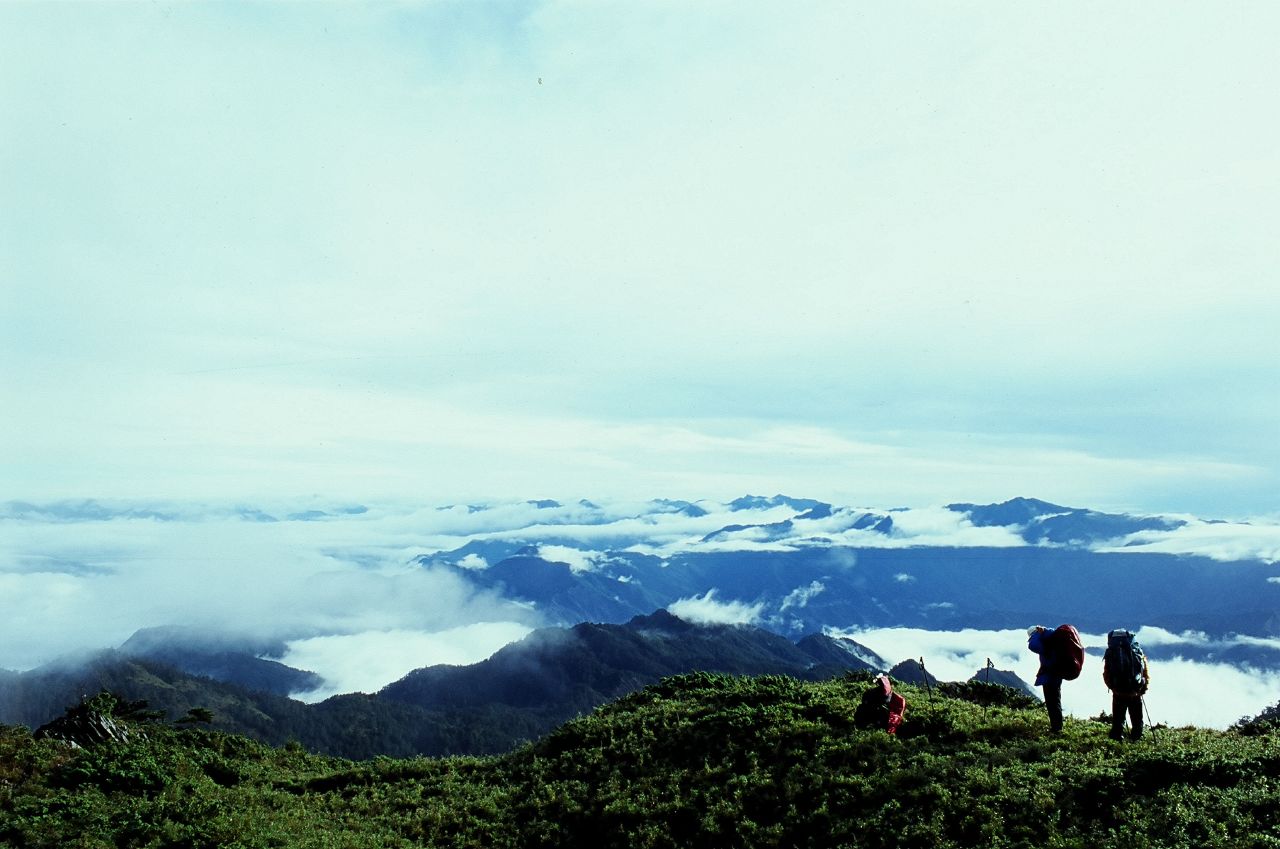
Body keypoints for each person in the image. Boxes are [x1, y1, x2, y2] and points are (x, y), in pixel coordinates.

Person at [1103, 629, 1150, 741]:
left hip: (1118, 693)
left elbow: (1107, 673)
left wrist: (1113, 687)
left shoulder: (1112, 653)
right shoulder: (1137, 652)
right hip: (1135, 692)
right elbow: (1145, 672)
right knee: (1137, 720)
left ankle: (1116, 740)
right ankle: (1136, 739)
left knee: (1118, 720)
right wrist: (1143, 688)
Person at [1027, 625, 1066, 732]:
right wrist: (1043, 631)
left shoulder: (1047, 643)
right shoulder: (1052, 636)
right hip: (1057, 673)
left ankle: (1056, 728)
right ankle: (1057, 726)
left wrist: (1035, 635)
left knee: (1052, 701)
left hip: (1050, 675)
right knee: (1055, 699)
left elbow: (1032, 646)